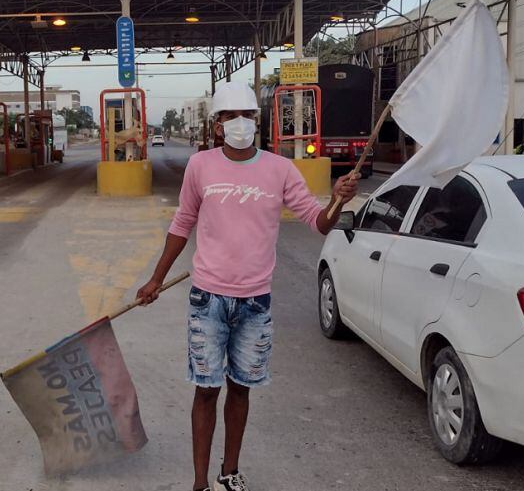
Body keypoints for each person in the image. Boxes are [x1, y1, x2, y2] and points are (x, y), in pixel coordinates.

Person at [136, 81, 358, 491]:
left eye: (248, 116)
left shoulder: (280, 169)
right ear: (217, 126)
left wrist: (338, 201)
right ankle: (200, 483)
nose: (240, 123)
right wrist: (156, 278)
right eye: (231, 117)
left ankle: (229, 473)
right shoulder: (201, 166)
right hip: (208, 299)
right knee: (206, 391)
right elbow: (182, 223)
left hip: (255, 302)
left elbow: (316, 221)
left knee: (241, 389)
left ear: (257, 122)